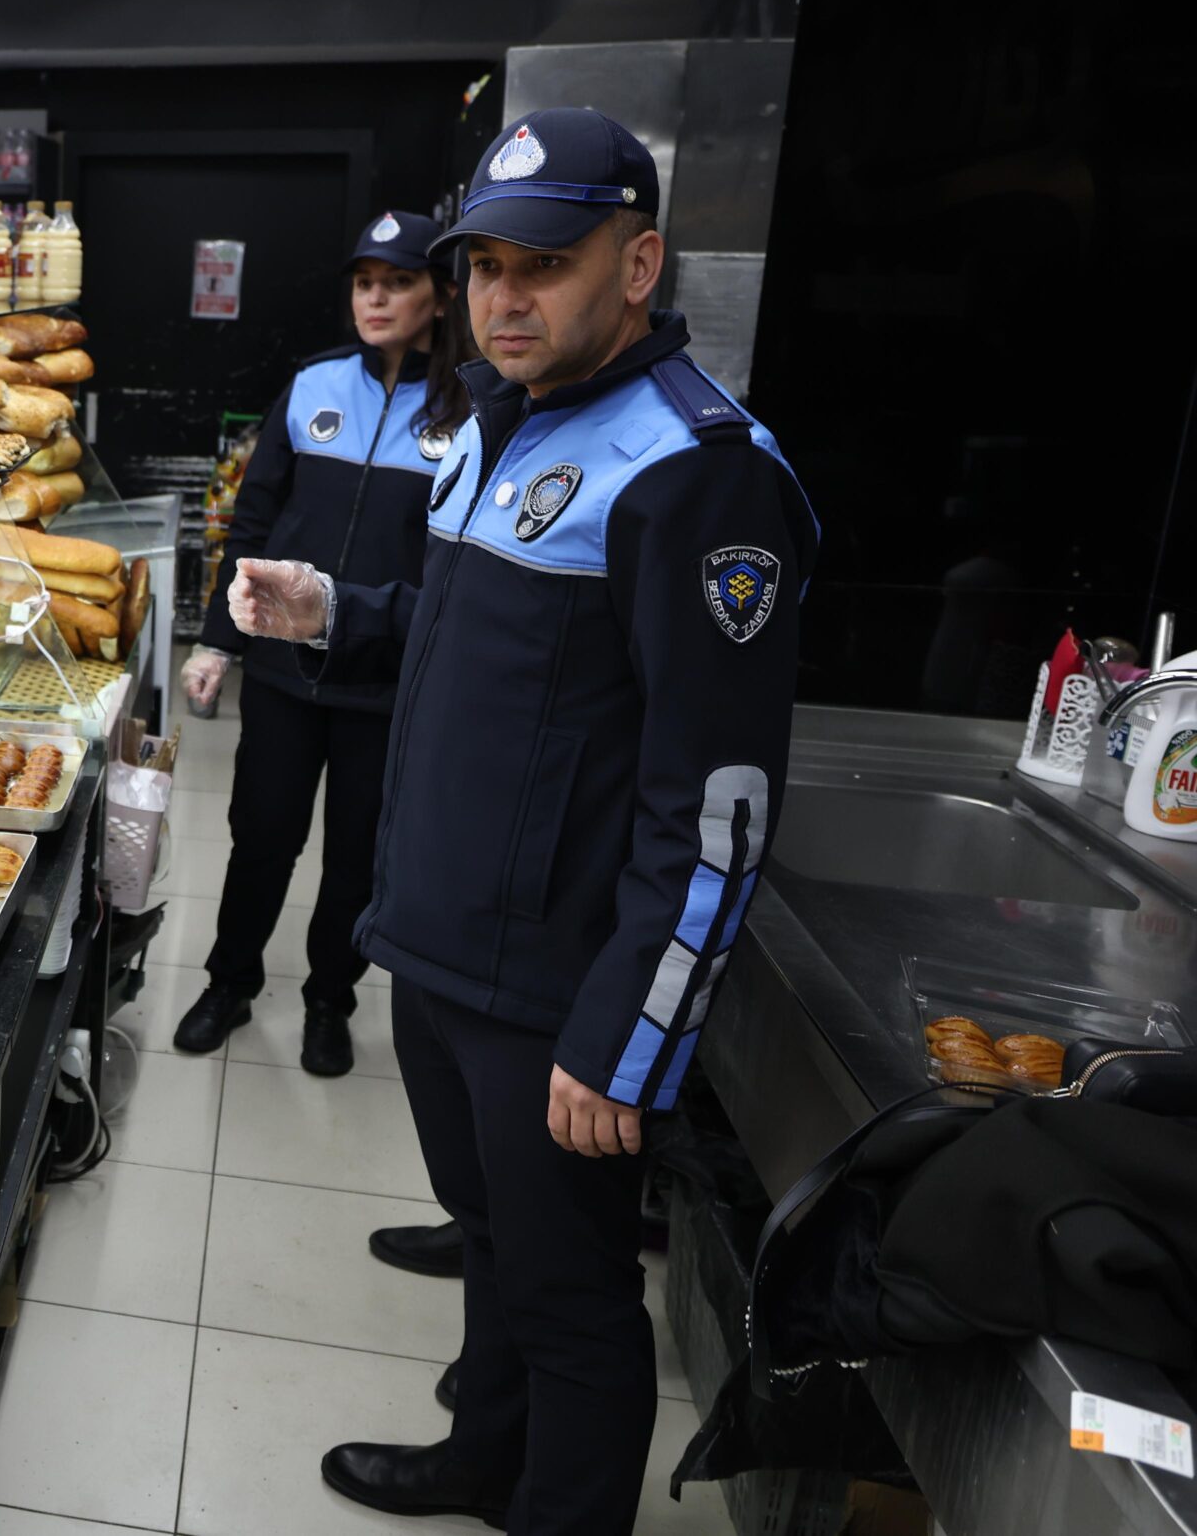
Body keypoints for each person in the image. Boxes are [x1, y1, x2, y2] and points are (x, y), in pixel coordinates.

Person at [230, 107, 816, 1534]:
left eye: (544, 261)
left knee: (569, 1301)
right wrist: (338, 610)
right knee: (490, 1246)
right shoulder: (503, 421)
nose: (504, 294)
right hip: (439, 945)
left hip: (554, 989)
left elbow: (718, 808)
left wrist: (628, 1034)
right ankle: (480, 1456)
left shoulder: (698, 470)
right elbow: (471, 643)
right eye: (484, 263)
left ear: (639, 264)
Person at [174, 209, 468, 1076]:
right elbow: (254, 519)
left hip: (387, 678)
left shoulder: (473, 407)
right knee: (261, 835)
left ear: (440, 297)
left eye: (399, 281)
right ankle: (230, 984)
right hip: (281, 670)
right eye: (364, 282)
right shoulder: (313, 386)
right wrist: (217, 642)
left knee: (357, 856)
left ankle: (329, 1001)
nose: (376, 298)